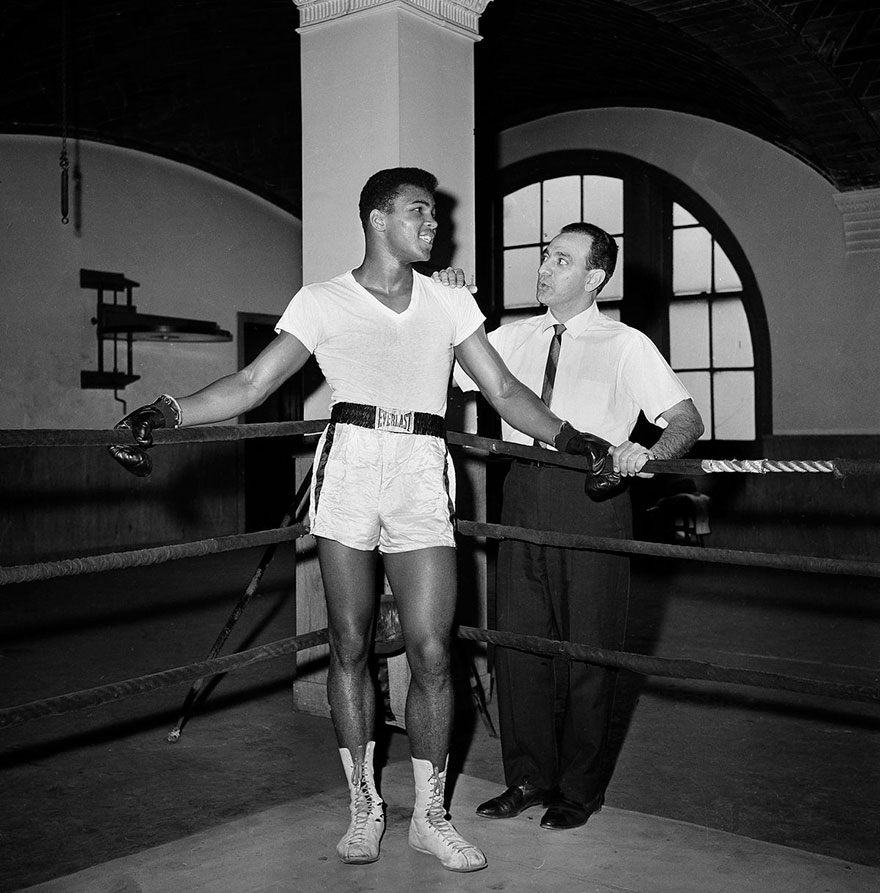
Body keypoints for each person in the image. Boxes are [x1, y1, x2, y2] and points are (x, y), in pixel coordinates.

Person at [107, 170, 623, 872]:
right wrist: (166, 410)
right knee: (349, 642)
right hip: (348, 463)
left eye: (435, 213)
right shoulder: (323, 300)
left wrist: (573, 439)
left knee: (434, 649)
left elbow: (502, 389)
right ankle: (363, 804)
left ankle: (430, 813)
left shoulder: (447, 303)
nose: (434, 222)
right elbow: (254, 383)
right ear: (378, 219)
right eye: (419, 211)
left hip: (420, 468)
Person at [453, 221, 704, 832]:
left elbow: (685, 420)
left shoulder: (626, 344)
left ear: (594, 276)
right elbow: (445, 364)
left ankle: (578, 790)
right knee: (518, 645)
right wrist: (447, 298)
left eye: (561, 260)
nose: (544, 267)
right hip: (519, 493)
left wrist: (650, 453)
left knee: (589, 649)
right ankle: (527, 778)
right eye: (544, 256)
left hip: (592, 500)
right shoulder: (508, 339)